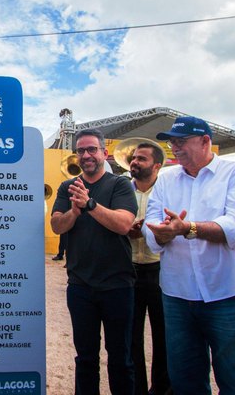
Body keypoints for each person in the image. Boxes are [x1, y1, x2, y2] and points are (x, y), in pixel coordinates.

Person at [143, 116, 235, 395]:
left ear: (206, 141)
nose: (174, 148)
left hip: (229, 293)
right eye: (172, 142)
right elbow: (152, 227)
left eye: (181, 141)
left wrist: (187, 228)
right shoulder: (166, 180)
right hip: (178, 295)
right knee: (185, 379)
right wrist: (160, 233)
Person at [50, 128, 138, 394]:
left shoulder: (120, 184)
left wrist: (90, 205)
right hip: (80, 286)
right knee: (85, 358)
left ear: (104, 153)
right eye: (81, 150)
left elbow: (124, 224)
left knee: (121, 358)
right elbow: (57, 225)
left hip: (117, 285)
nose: (86, 155)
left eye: (92, 150)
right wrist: (74, 213)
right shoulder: (68, 187)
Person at [127, 142, 170, 395]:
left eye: (141, 159)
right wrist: (127, 231)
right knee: (130, 337)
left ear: (156, 166)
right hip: (129, 270)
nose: (134, 162)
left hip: (161, 271)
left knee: (165, 338)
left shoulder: (167, 191)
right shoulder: (122, 190)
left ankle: (162, 390)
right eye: (133, 158)